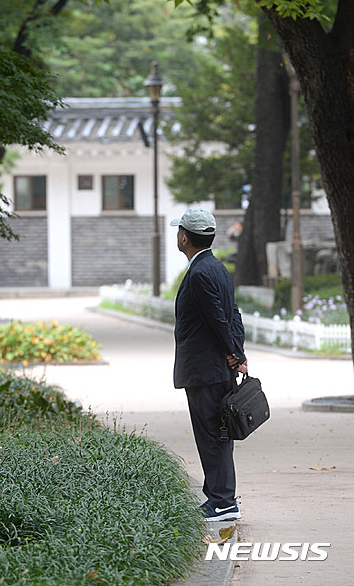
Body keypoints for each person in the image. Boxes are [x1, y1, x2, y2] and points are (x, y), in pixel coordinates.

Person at [170, 208, 248, 522]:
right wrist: (237, 352)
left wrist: (233, 351)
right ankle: (218, 497)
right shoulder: (217, 268)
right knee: (218, 434)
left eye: (179, 232)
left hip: (206, 369)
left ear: (185, 237)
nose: (178, 236)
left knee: (212, 435)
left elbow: (218, 319)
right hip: (216, 367)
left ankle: (222, 503)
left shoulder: (200, 273)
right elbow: (234, 314)